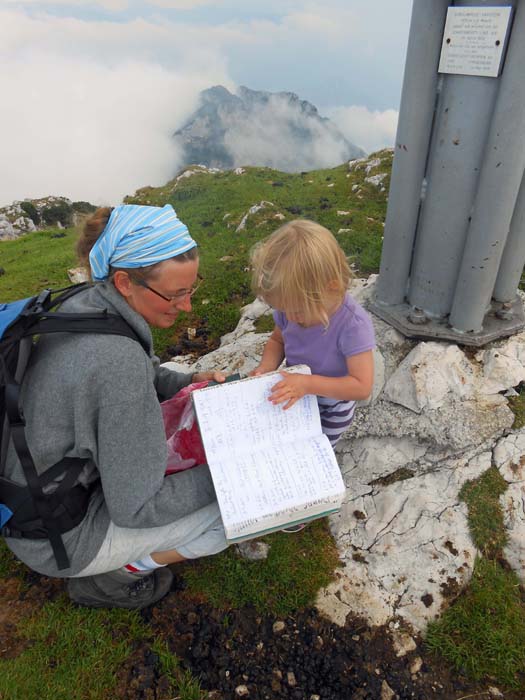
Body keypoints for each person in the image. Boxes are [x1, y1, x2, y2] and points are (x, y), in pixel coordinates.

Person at [3, 204, 230, 609]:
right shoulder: (115, 363)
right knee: (228, 517)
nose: (188, 307)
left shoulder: (85, 300)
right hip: (63, 538)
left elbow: (137, 373)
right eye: (176, 294)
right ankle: (108, 582)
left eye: (191, 289)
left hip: (33, 496)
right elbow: (138, 509)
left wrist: (184, 383)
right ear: (125, 282)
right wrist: (230, 477)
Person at [251, 219, 375, 447]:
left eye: (297, 311)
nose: (291, 317)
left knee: (316, 447)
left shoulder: (353, 326)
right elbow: (277, 340)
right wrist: (266, 368)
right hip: (297, 388)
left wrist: (308, 385)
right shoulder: (290, 310)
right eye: (284, 310)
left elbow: (361, 386)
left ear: (332, 287)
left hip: (333, 404)